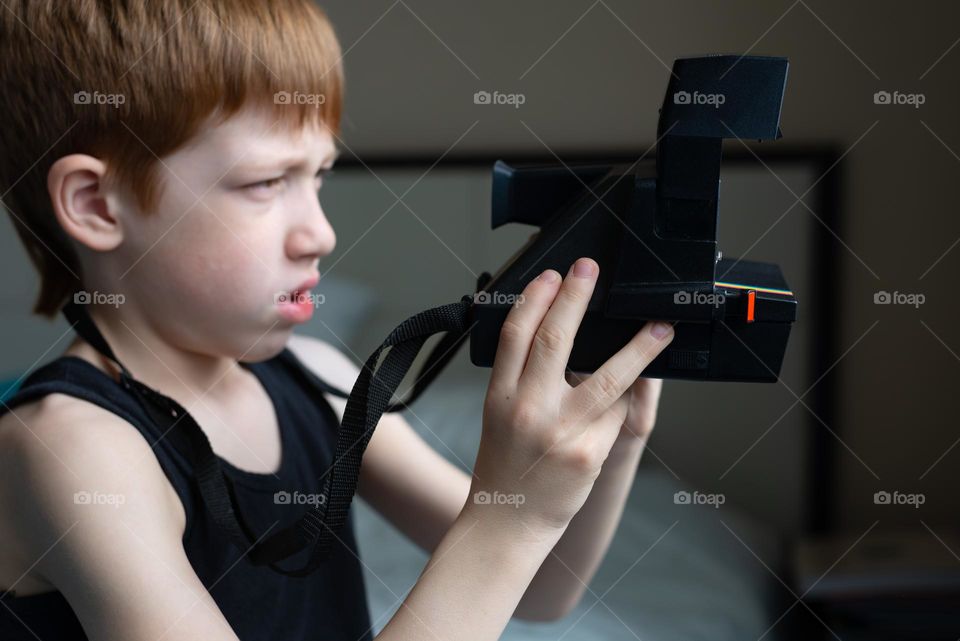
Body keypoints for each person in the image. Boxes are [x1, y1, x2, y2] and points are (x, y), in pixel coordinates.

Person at [0, 2, 675, 639]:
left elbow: (543, 589)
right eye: (266, 183)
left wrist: (614, 437)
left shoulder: (322, 383)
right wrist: (512, 519)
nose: (319, 233)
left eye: (318, 176)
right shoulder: (70, 449)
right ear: (95, 203)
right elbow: (507, 544)